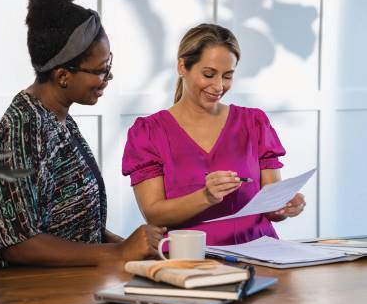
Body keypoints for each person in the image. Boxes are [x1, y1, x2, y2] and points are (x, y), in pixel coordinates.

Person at [0, 0, 164, 269]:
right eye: (101, 71)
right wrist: (117, 254)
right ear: (63, 75)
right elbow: (18, 244)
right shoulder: (23, 129)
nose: (108, 78)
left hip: (67, 295)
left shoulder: (59, 119)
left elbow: (73, 225)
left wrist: (132, 247)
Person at [122, 23, 306, 246]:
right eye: (209, 74)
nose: (219, 86)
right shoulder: (149, 133)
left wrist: (284, 207)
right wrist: (206, 197)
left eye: (227, 76)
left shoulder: (254, 123)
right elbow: (154, 214)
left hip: (260, 255)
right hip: (189, 259)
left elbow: (271, 208)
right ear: (182, 67)